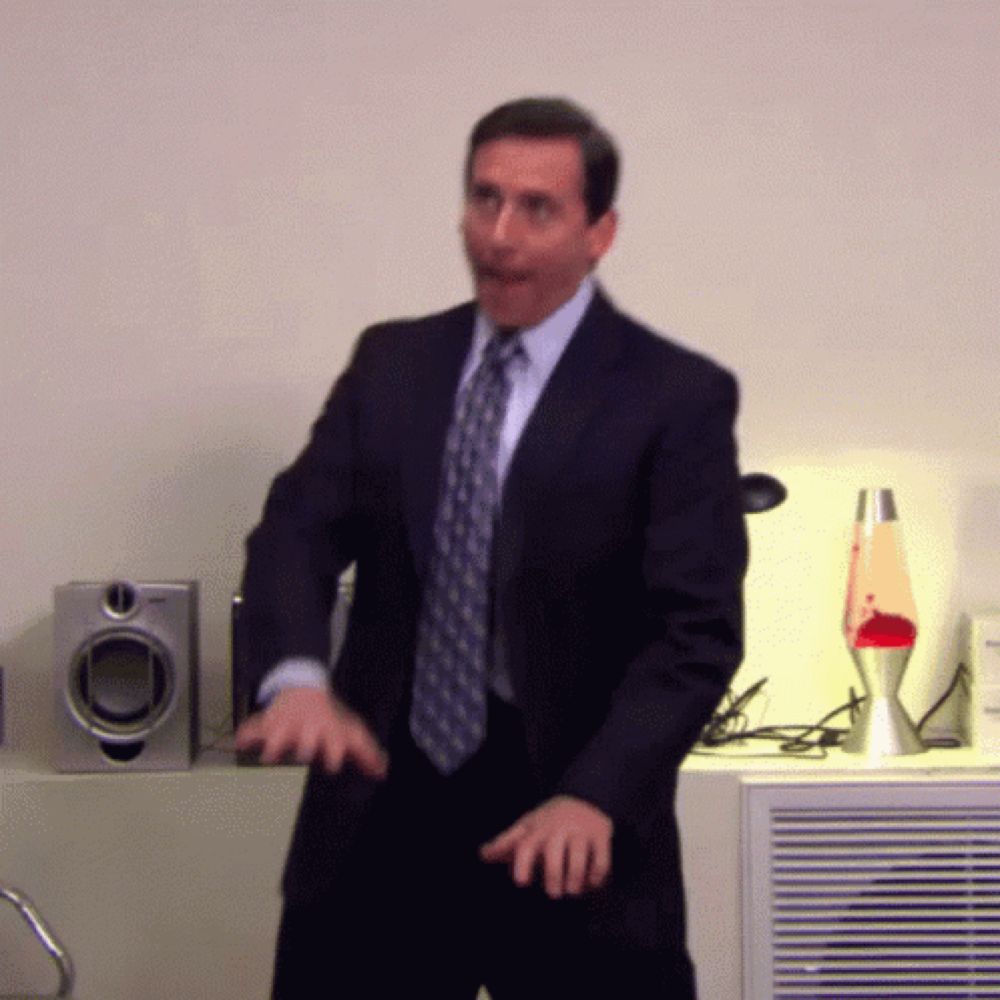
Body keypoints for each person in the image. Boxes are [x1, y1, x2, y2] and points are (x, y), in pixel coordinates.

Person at [235, 96, 748, 999]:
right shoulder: (392, 365)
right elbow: (296, 529)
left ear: (599, 232)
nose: (499, 235)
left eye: (537, 208)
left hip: (571, 821)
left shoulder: (675, 396)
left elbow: (694, 633)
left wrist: (597, 793)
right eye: (485, 199)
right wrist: (297, 679)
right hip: (381, 812)